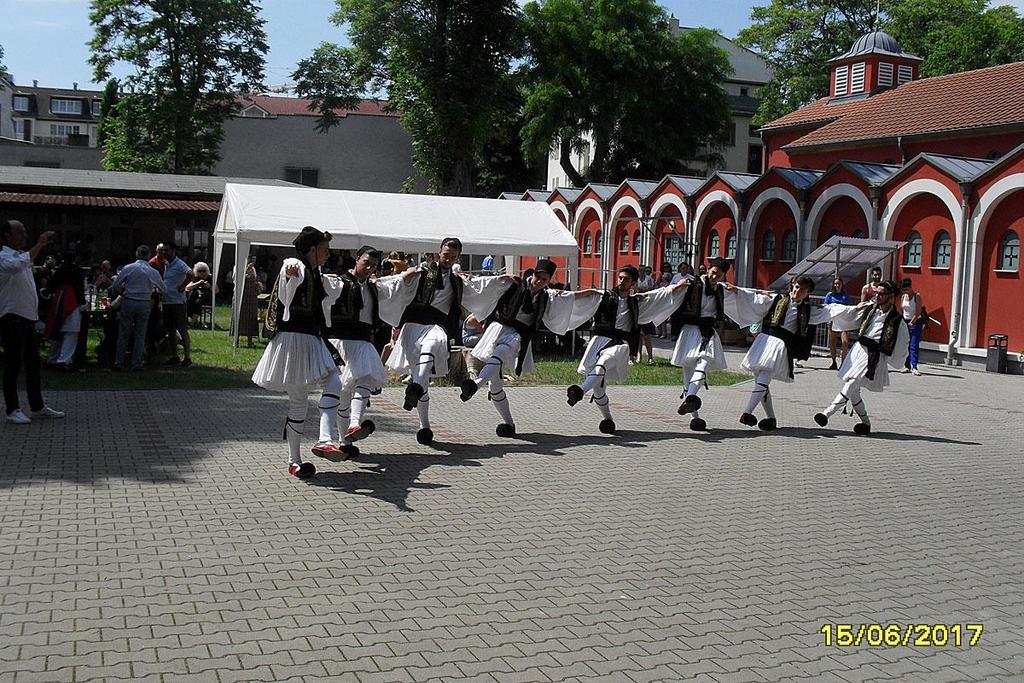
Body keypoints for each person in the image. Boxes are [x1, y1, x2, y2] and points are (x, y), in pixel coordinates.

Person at [386, 237, 510, 445]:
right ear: (439, 252)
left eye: (453, 257)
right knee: (422, 377)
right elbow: (399, 284)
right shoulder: (422, 272)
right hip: (413, 324)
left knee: (434, 344)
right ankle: (424, 426)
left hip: (437, 324)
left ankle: (414, 388)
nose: (449, 259)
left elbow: (478, 285)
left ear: (458, 257)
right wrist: (405, 276)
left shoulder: (456, 279)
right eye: (446, 255)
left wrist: (501, 280)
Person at [461, 259, 600, 437]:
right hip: (499, 328)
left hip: (519, 335)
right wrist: (499, 277)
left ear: (548, 281)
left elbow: (569, 297)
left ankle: (474, 385)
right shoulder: (515, 284)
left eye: (544, 280)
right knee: (495, 388)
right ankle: (509, 424)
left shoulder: (546, 296)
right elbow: (488, 284)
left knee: (501, 353)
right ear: (532, 274)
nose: (539, 282)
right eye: (538, 277)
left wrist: (590, 292)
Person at [252, 226, 342, 479]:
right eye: (324, 250)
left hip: (312, 339)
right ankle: (295, 460)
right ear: (311, 250)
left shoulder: (317, 273)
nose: (327, 255)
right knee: (299, 402)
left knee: (334, 380)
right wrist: (291, 269)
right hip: (293, 341)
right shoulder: (297, 265)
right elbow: (291, 268)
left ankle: (324, 439)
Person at [313, 246, 419, 460]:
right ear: (357, 259)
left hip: (362, 341)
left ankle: (354, 424)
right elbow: (320, 282)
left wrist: (405, 276)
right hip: (340, 341)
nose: (369, 268)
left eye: (373, 266)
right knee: (342, 394)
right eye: (366, 263)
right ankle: (344, 441)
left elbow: (390, 285)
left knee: (366, 379)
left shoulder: (373, 287)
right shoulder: (338, 282)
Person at [723, 276, 857, 430]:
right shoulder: (777, 299)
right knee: (760, 381)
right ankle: (771, 418)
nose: (796, 291)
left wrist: (855, 308)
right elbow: (755, 297)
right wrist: (737, 291)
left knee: (764, 378)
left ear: (807, 292)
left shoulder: (808, 310)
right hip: (764, 340)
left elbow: (832, 310)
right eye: (795, 286)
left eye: (801, 289)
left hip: (780, 345)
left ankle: (747, 413)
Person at [566, 265, 688, 434]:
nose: (622, 281)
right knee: (599, 390)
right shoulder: (604, 296)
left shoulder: (636, 301)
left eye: (627, 279)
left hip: (620, 344)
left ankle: (579, 391)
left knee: (603, 363)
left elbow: (660, 295)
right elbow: (580, 298)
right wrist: (564, 295)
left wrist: (679, 285)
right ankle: (608, 419)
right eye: (620, 277)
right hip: (599, 341)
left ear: (633, 283)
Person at [815, 279, 909, 435]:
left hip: (874, 355)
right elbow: (848, 314)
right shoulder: (870, 309)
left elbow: (902, 343)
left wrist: (893, 359)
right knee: (854, 391)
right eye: (877, 293)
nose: (877, 296)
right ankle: (866, 424)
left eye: (881, 294)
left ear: (891, 297)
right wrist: (826, 310)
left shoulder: (897, 320)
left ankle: (827, 413)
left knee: (853, 382)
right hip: (859, 350)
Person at [0, 220, 64, 424]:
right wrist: (40, 244)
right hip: (12, 317)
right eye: (20, 232)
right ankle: (12, 409)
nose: (24, 235)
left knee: (33, 364)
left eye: (25, 231)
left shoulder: (22, 257)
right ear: (7, 236)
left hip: (27, 318)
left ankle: (37, 405)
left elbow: (25, 264)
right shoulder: (4, 257)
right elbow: (16, 267)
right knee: (13, 364)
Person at [670, 258, 731, 432]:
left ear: (722, 276)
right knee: (687, 373)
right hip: (690, 330)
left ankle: (689, 398)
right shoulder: (692, 283)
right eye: (713, 272)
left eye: (718, 275)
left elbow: (743, 295)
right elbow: (670, 294)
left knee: (704, 361)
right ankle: (694, 417)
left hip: (707, 332)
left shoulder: (720, 289)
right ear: (708, 269)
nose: (714, 277)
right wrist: (674, 287)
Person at [111, 245, 167, 371]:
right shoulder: (153, 271)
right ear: (148, 255)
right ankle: (136, 363)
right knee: (140, 334)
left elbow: (115, 285)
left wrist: (122, 290)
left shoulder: (128, 268)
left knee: (123, 333)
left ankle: (119, 362)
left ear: (137, 254)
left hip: (129, 300)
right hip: (144, 302)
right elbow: (164, 288)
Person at [43, 253, 85, 369]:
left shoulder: (59, 271)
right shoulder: (77, 271)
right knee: (71, 330)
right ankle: (64, 360)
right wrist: (82, 302)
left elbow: (50, 286)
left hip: (59, 298)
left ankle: (52, 358)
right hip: (71, 299)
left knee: (57, 329)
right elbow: (80, 287)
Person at [160, 243, 194, 367]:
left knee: (182, 329)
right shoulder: (166, 264)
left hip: (178, 302)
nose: (164, 253)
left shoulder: (179, 264)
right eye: (163, 250)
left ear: (174, 251)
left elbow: (191, 274)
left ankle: (187, 357)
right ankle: (174, 356)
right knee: (171, 331)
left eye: (167, 250)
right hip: (167, 302)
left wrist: (183, 286)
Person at [232, 256, 262, 347]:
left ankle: (250, 341)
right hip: (240, 296)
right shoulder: (237, 267)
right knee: (239, 318)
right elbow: (235, 279)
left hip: (251, 296)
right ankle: (236, 341)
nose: (251, 260)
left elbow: (255, 279)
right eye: (249, 258)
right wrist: (245, 270)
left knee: (251, 319)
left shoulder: (253, 269)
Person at [824, 277, 852, 369]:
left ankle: (843, 363)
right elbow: (826, 308)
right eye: (835, 284)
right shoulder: (829, 295)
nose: (837, 285)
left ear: (842, 284)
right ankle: (833, 361)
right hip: (832, 320)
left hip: (843, 321)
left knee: (845, 342)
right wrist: (827, 320)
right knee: (832, 342)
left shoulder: (846, 295)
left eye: (839, 283)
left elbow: (849, 309)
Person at [900, 278, 924, 375]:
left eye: (906, 289)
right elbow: (902, 310)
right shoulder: (903, 297)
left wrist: (912, 322)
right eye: (903, 290)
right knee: (905, 345)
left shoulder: (916, 296)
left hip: (916, 322)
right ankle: (906, 366)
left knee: (913, 345)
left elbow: (918, 312)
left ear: (910, 287)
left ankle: (914, 366)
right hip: (905, 321)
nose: (905, 292)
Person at [634, 265, 657, 365]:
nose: (642, 272)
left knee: (647, 335)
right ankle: (639, 354)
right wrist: (642, 292)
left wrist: (641, 291)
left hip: (647, 308)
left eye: (643, 270)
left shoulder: (649, 279)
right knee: (638, 335)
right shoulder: (635, 280)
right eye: (640, 270)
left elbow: (651, 291)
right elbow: (635, 290)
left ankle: (650, 357)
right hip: (638, 308)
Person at [185, 261, 212, 327]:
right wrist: (198, 283)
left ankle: (192, 323)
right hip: (195, 297)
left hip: (206, 298)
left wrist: (210, 286)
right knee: (188, 302)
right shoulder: (196, 278)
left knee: (198, 303)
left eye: (204, 271)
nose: (202, 273)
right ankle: (194, 321)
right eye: (200, 271)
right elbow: (187, 288)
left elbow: (217, 290)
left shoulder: (210, 278)